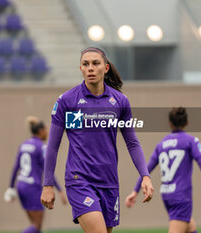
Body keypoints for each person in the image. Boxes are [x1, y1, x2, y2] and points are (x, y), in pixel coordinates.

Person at [40, 47, 154, 233]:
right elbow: (53, 147)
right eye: (85, 64)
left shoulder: (119, 101)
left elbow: (132, 142)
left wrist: (145, 176)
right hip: (79, 180)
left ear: (106, 68)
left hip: (109, 181)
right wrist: (47, 185)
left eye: (95, 63)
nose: (90, 68)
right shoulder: (68, 101)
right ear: (80, 69)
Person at [125, 107, 201, 233]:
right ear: (186, 123)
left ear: (170, 123)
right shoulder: (191, 141)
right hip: (181, 196)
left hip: (167, 194)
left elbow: (147, 169)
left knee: (190, 227)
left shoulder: (161, 144)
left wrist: (135, 191)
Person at [4, 116, 67, 233]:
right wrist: (60, 190)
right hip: (32, 187)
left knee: (34, 226)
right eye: (46, 129)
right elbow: (47, 170)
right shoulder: (41, 146)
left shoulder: (24, 145)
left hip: (21, 185)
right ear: (41, 131)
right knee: (37, 225)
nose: (48, 132)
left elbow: (15, 168)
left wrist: (10, 188)